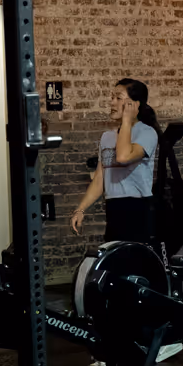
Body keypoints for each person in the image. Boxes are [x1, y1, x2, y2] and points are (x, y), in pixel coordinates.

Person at [70, 78, 161, 246]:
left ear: (135, 104)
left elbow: (123, 157)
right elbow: (99, 179)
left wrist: (126, 121)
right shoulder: (107, 137)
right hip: (114, 207)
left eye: (118, 98)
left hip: (138, 209)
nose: (112, 102)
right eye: (112, 97)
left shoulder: (147, 133)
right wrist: (80, 209)